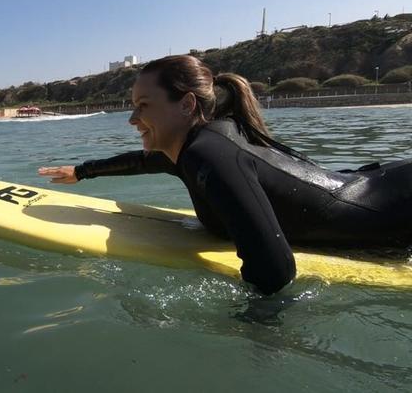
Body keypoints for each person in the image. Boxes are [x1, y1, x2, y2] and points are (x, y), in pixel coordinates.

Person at [38, 55, 412, 295]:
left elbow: (275, 272)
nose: (133, 119)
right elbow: (139, 161)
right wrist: (81, 172)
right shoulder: (188, 151)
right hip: (368, 185)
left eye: (143, 106)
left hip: (392, 204)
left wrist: (249, 335)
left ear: (186, 106)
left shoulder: (210, 155)